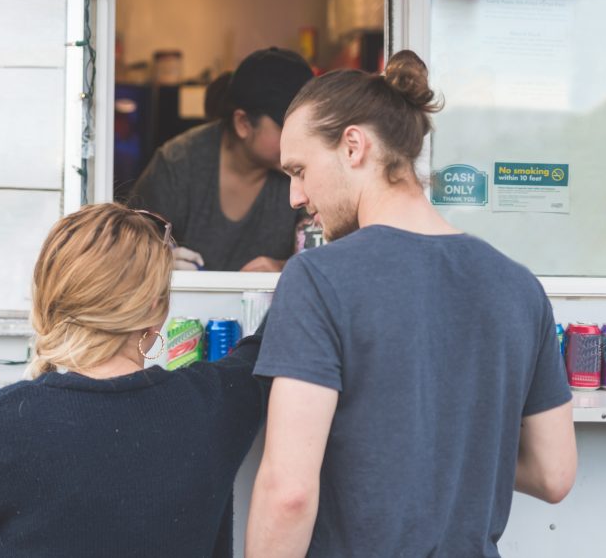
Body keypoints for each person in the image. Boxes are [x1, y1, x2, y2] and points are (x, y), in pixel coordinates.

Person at [246, 51, 577, 557]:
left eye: (299, 170)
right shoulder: (518, 286)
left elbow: (288, 493)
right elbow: (554, 474)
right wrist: (450, 450)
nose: (295, 195)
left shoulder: (318, 278)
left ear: (353, 146)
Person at [0, 203, 267, 558]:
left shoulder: (13, 418)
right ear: (155, 306)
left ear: (48, 299)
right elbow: (273, 338)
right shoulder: (215, 401)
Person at [129, 48, 314, 272]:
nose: (302, 140)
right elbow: (126, 254)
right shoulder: (177, 164)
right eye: (286, 126)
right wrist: (159, 263)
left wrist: (283, 267)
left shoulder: (305, 170)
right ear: (243, 123)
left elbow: (323, 257)